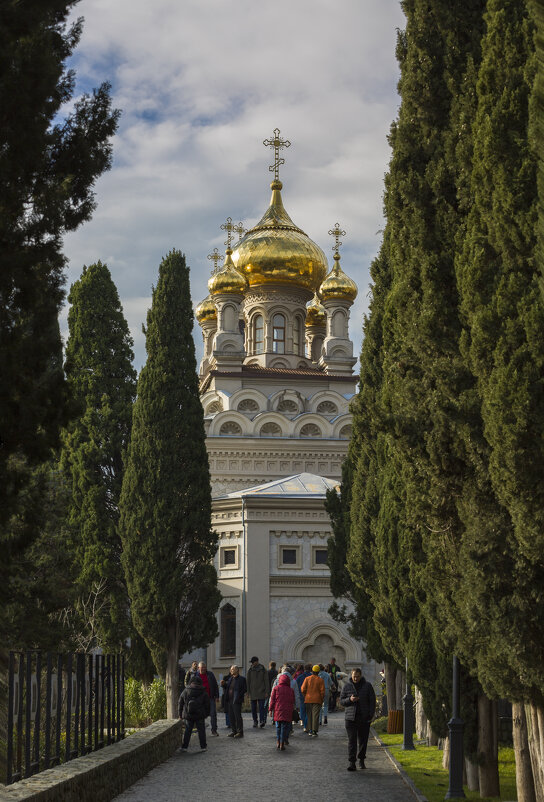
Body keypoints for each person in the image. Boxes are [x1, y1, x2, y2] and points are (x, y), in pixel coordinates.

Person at [340, 667, 376, 771]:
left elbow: (372, 701)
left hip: (364, 717)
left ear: (361, 676)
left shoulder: (367, 686)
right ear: (351, 675)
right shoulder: (347, 686)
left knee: (363, 741)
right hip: (350, 718)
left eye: (357, 676)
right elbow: (342, 701)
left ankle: (361, 760)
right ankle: (352, 762)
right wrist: (350, 699)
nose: (355, 678)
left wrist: (370, 715)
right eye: (354, 676)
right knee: (352, 741)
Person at [178, 675, 210, 752]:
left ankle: (184, 747)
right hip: (200, 715)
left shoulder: (186, 691)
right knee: (201, 731)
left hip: (188, 714)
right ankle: (203, 747)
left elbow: (180, 702)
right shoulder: (203, 692)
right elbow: (207, 705)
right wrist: (206, 714)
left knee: (187, 731)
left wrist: (180, 714)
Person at [268, 672, 295, 751]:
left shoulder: (276, 688)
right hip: (287, 711)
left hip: (278, 711)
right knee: (284, 727)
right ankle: (282, 742)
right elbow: (292, 701)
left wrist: (270, 710)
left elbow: (272, 700)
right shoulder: (291, 690)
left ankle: (278, 741)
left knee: (278, 727)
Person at [301, 665, 325, 736]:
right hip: (317, 700)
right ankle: (314, 731)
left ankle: (310, 730)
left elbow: (302, 689)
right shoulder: (320, 680)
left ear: (312, 671)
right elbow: (322, 692)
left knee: (309, 715)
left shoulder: (307, 679)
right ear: (318, 672)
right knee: (315, 716)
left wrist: (305, 695)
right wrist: (321, 700)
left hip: (308, 699)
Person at [224, 664, 247, 738]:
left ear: (237, 670)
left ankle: (240, 732)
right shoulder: (230, 678)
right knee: (231, 716)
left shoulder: (242, 679)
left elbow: (244, 689)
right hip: (230, 700)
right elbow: (228, 688)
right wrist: (224, 685)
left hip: (236, 700)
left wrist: (239, 696)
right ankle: (234, 731)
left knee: (237, 717)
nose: (231, 671)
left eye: (232, 669)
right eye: (231, 669)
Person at [247, 656, 270, 728]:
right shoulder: (250, 670)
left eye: (253, 662)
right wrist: (248, 692)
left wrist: (267, 691)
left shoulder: (263, 669)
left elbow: (266, 681)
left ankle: (262, 721)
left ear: (257, 662)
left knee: (261, 708)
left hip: (261, 691)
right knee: (253, 708)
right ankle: (255, 721)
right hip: (253, 692)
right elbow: (248, 681)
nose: (252, 664)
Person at [198, 660, 220, 736]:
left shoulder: (210, 674)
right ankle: (201, 731)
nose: (203, 669)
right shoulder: (196, 676)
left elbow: (215, 685)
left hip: (210, 698)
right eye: (201, 667)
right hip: (200, 699)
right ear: (198, 668)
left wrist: (217, 696)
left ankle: (214, 730)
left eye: (204, 667)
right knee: (200, 715)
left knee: (213, 714)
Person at [296, 663, 312, 732]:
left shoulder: (300, 677)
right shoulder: (312, 676)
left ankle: (303, 722)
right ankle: (307, 725)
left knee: (302, 710)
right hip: (310, 696)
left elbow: (296, 685)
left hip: (301, 695)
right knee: (309, 711)